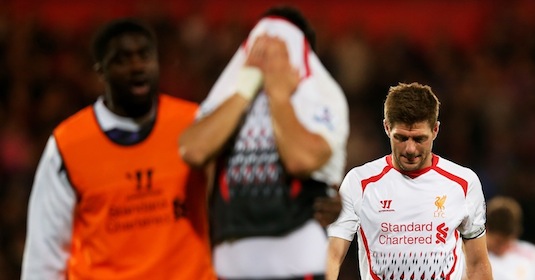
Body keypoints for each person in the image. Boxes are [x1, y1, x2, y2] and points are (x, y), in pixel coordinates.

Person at [20, 19, 215, 279]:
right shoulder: (68, 144)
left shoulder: (194, 124)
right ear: (101, 71)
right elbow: (45, 251)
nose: (137, 67)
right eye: (122, 59)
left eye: (145, 56)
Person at [178, 5, 349, 280]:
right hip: (230, 261)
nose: (268, 53)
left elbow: (301, 160)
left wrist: (279, 98)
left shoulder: (324, 98)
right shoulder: (231, 95)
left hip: (296, 257)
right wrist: (244, 90)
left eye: (281, 43)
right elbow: (193, 150)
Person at [326, 82, 493, 280]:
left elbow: (477, 264)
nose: (410, 149)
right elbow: (332, 256)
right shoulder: (359, 182)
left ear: (436, 130)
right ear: (387, 128)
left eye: (419, 139)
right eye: (401, 138)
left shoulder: (464, 183)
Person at [485, 196, 535, 280]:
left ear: (516, 234)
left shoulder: (533, 255)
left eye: (507, 241)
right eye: (498, 241)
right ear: (486, 231)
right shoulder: (474, 258)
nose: (502, 247)